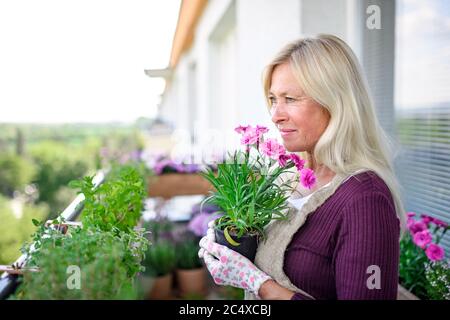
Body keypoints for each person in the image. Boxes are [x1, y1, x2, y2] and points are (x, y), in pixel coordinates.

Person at [198, 34, 406, 300]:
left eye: (291, 99)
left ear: (335, 102)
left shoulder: (365, 199)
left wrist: (259, 284)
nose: (275, 115)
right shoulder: (291, 179)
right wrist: (232, 237)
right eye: (273, 99)